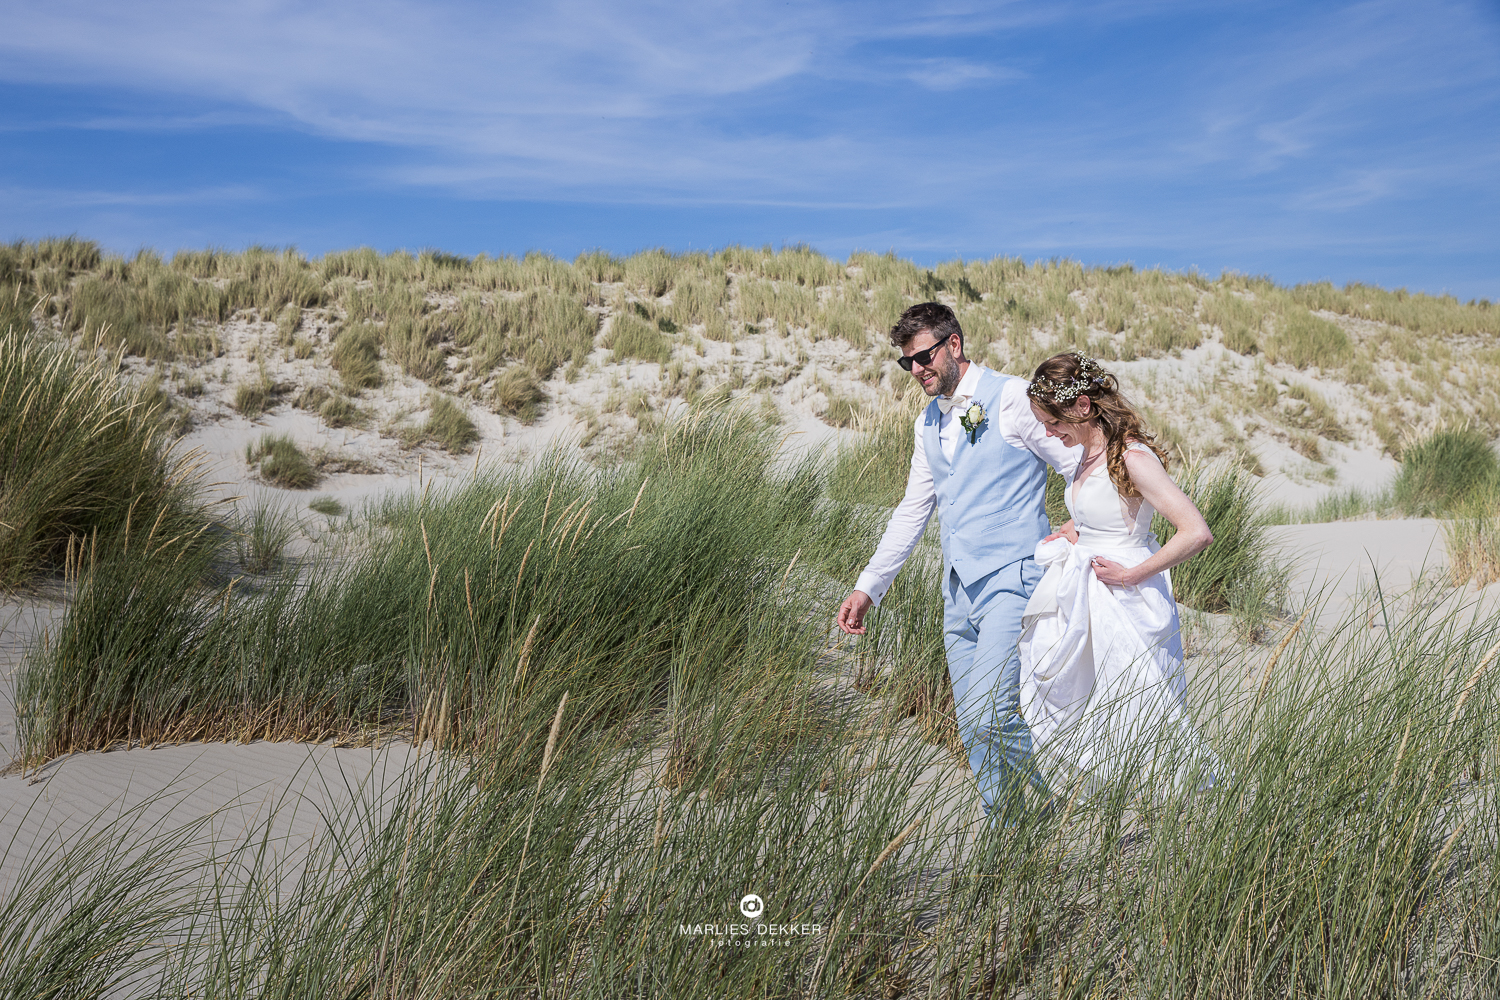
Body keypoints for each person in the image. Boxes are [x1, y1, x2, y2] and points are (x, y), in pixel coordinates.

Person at [836, 303, 1080, 824]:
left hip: (1014, 578)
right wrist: (869, 586)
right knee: (972, 724)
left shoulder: (1011, 397)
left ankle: (1044, 806)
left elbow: (1076, 458)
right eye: (907, 363)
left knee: (993, 711)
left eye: (924, 356)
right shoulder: (927, 422)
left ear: (954, 345)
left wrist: (1079, 522)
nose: (917, 369)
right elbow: (912, 510)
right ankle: (1010, 827)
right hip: (958, 592)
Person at [1018, 351, 1218, 795]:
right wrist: (1072, 533)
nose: (1048, 433)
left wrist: (1133, 574)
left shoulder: (1132, 457)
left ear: (1082, 407)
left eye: (1053, 423)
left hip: (1127, 600)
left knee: (1141, 713)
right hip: (1086, 597)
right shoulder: (1088, 456)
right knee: (1094, 711)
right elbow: (1105, 515)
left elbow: (1196, 532)